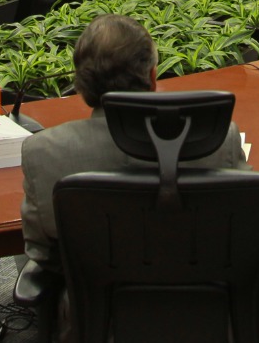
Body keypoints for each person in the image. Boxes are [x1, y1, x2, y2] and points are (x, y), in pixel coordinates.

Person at [21, 14, 247, 280]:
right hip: (211, 312)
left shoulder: (43, 152)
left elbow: (42, 253)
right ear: (152, 76)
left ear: (80, 85)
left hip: (94, 316)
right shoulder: (219, 140)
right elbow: (255, 233)